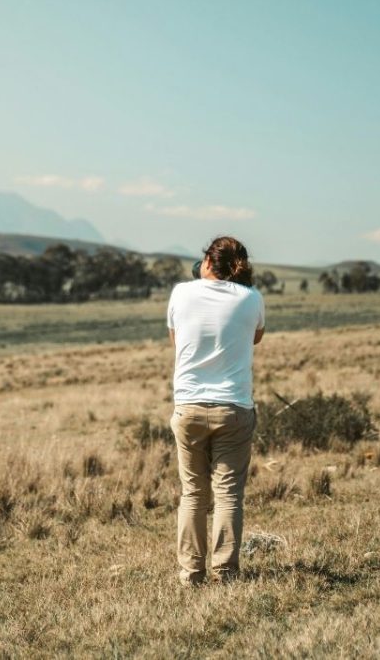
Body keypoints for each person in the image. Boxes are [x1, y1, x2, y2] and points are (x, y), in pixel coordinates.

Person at [166, 236, 265, 585]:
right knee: (228, 495)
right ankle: (225, 572)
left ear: (208, 260)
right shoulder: (252, 298)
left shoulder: (181, 292)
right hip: (234, 407)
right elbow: (255, 338)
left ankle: (191, 573)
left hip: (189, 406)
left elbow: (177, 341)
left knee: (193, 494)